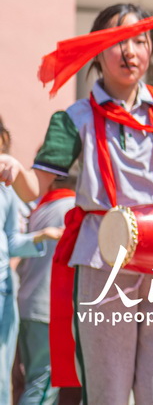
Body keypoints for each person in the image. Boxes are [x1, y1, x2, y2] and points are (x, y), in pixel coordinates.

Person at [6, 3, 153, 404]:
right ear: (98, 52)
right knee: (109, 392)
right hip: (104, 256)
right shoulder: (74, 118)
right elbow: (34, 188)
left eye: (140, 41)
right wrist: (14, 170)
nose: (130, 52)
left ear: (151, 51)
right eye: (118, 41)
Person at [0, 120, 65, 405]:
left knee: (4, 377)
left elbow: (12, 242)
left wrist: (41, 237)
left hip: (6, 294)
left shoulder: (8, 189)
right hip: (31, 306)